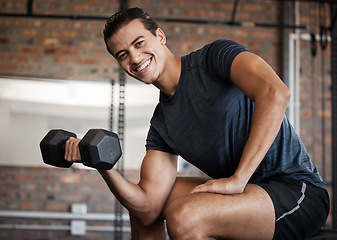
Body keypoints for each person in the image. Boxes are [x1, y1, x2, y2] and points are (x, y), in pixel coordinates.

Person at [65, 7, 329, 240]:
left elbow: (275, 92)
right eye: (122, 54)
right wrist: (102, 166)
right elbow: (147, 208)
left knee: (185, 217)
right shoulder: (161, 125)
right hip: (246, 194)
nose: (134, 58)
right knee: (147, 208)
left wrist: (238, 179)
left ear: (160, 36)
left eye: (139, 43)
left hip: (296, 191)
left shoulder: (214, 58)